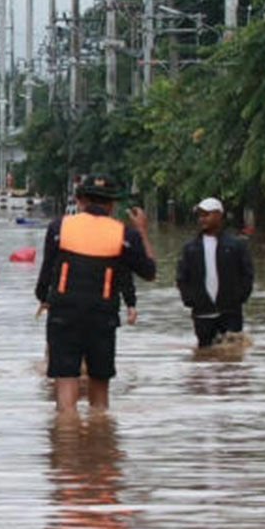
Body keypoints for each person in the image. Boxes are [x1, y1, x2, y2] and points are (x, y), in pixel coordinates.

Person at [34, 174, 156, 413]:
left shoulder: (59, 227)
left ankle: (66, 442)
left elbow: (43, 281)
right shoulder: (124, 235)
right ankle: (100, 442)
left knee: (66, 394)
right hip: (102, 318)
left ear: (82, 200)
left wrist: (46, 300)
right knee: (100, 399)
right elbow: (149, 272)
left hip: (63, 316)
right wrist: (141, 231)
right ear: (112, 205)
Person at [175, 196, 254, 347]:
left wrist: (240, 297)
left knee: (233, 355)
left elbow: (247, 274)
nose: (202, 219)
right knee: (205, 353)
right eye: (200, 215)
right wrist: (190, 299)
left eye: (207, 215)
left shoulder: (236, 245)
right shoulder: (191, 248)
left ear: (219, 215)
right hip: (202, 312)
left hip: (230, 311)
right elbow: (182, 277)